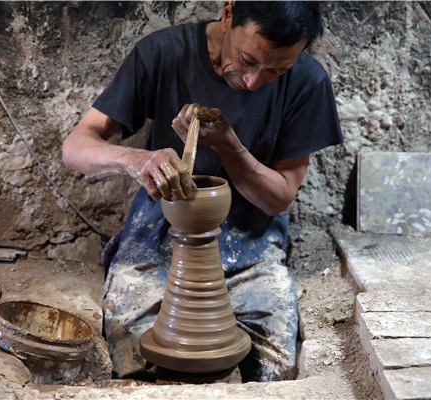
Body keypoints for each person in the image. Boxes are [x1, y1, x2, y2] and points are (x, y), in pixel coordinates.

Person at [63, 1, 342, 382]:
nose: (253, 81)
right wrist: (134, 158)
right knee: (129, 333)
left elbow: (279, 197)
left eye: (278, 70)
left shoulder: (308, 81)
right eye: (246, 60)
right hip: (159, 226)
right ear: (228, 14)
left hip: (252, 235)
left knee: (275, 354)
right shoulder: (162, 52)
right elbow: (76, 146)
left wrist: (229, 145)